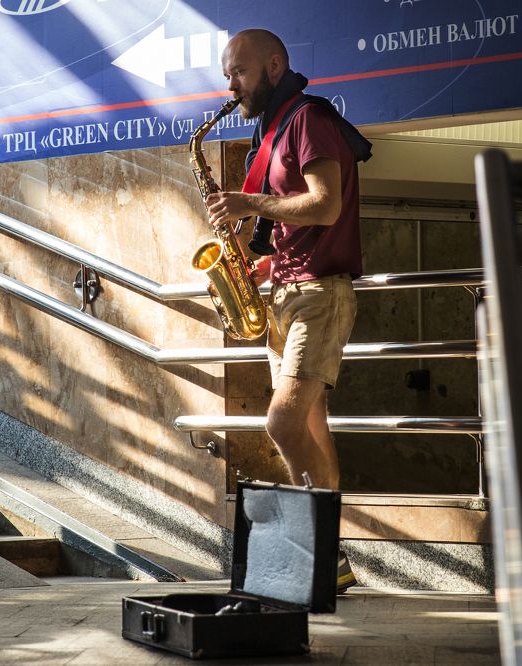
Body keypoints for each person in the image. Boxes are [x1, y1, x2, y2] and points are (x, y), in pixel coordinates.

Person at [205, 29, 371, 594]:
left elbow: (325, 207)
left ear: (274, 66)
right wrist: (267, 264)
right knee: (310, 430)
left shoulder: (308, 119)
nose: (231, 85)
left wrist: (246, 201)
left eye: (240, 72)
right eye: (228, 73)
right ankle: (330, 560)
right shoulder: (272, 128)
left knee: (280, 422)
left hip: (321, 295)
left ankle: (322, 548)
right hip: (289, 289)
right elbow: (297, 228)